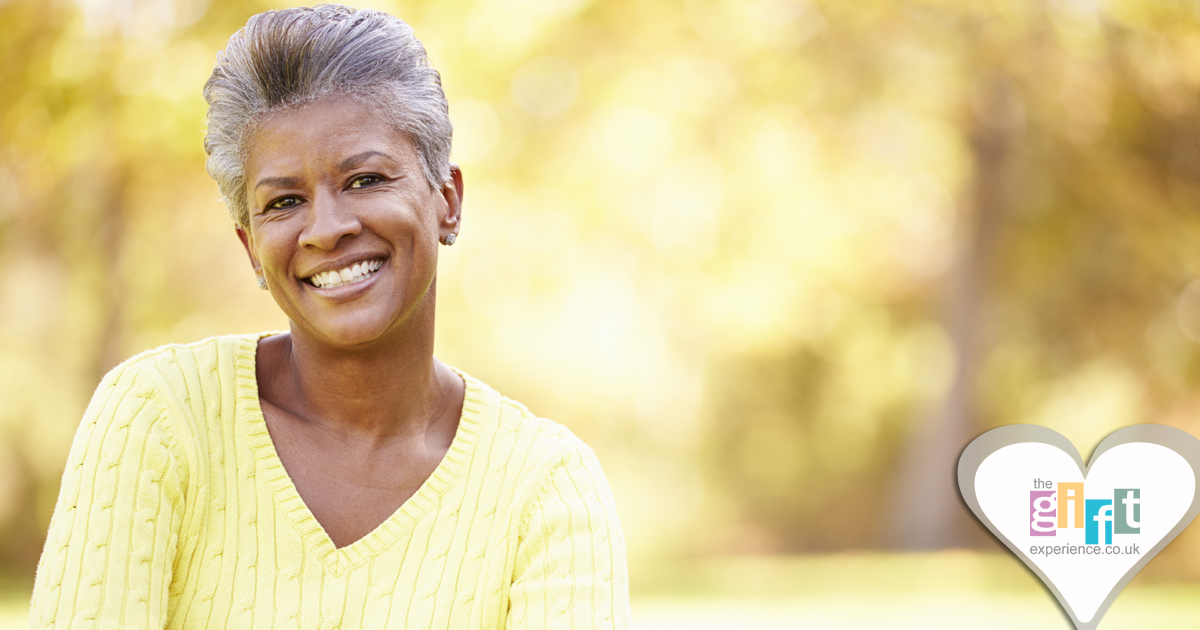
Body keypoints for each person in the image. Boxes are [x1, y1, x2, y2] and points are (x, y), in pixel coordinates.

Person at [27, 5, 630, 629]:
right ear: (251, 247)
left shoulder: (546, 490)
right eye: (284, 201)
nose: (327, 229)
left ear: (446, 201)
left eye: (365, 180)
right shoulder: (157, 415)